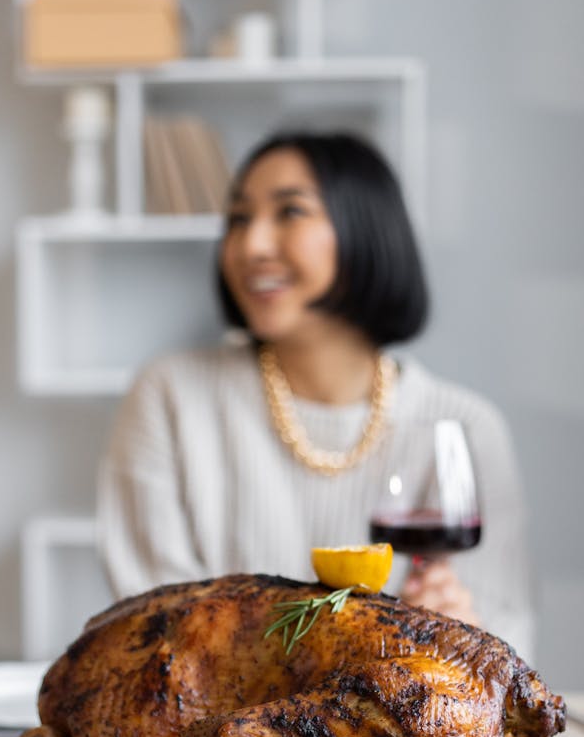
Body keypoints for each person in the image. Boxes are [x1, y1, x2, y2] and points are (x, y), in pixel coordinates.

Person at [98, 131, 535, 658]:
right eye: (239, 219)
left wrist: (461, 638)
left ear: (364, 231)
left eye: (290, 212)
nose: (251, 245)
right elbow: (152, 634)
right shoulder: (170, 398)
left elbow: (511, 648)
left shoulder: (464, 426)